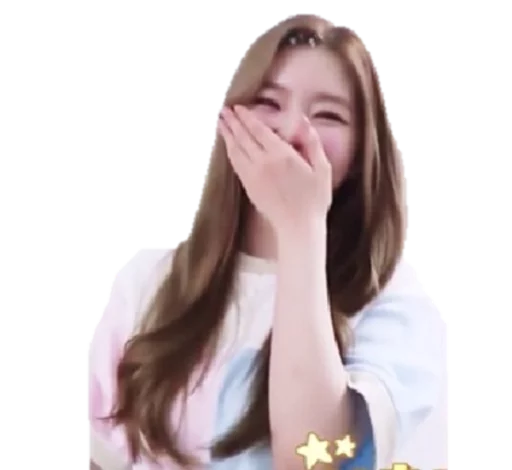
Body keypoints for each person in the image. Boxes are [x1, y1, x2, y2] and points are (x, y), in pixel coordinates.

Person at [85, 13, 449, 470]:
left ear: (361, 152)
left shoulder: (396, 305)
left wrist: (300, 229)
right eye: (268, 102)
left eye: (329, 115)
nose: (292, 131)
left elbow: (312, 457)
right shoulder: (147, 280)